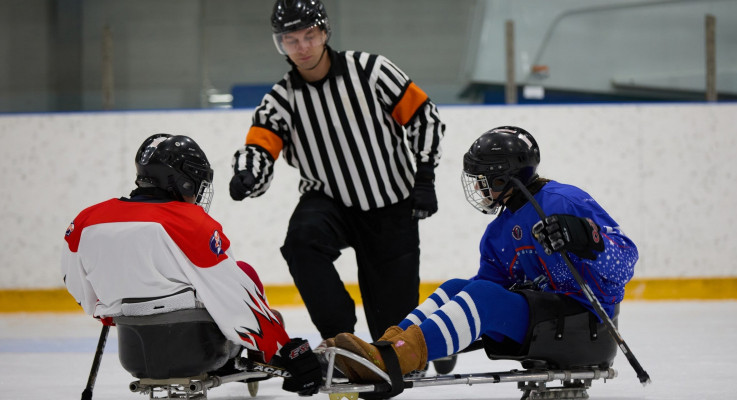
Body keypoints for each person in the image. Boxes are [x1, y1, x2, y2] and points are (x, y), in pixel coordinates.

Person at [332, 126, 638, 382]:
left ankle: (397, 358)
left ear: (504, 179)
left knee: (482, 295)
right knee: (457, 287)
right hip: (546, 322)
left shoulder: (563, 201)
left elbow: (626, 262)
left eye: (483, 181)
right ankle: (386, 348)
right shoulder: (498, 233)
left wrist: (588, 237)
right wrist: (443, 332)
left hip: (586, 326)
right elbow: (484, 292)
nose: (479, 190)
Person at [228, 0, 446, 344]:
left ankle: (428, 339)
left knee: (393, 335)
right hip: (328, 201)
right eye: (291, 40)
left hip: (391, 202)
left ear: (325, 32)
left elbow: (423, 115)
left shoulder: (371, 70)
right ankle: (339, 335)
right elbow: (260, 146)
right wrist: (248, 174)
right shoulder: (281, 99)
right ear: (280, 44)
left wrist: (425, 175)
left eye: (309, 36)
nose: (302, 47)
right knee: (301, 243)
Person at [61, 133, 321, 395]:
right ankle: (255, 353)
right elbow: (234, 293)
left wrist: (111, 311)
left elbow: (77, 286)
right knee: (244, 271)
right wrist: (284, 348)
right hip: (199, 351)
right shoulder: (190, 222)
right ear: (183, 181)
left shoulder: (85, 220)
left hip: (133, 353)